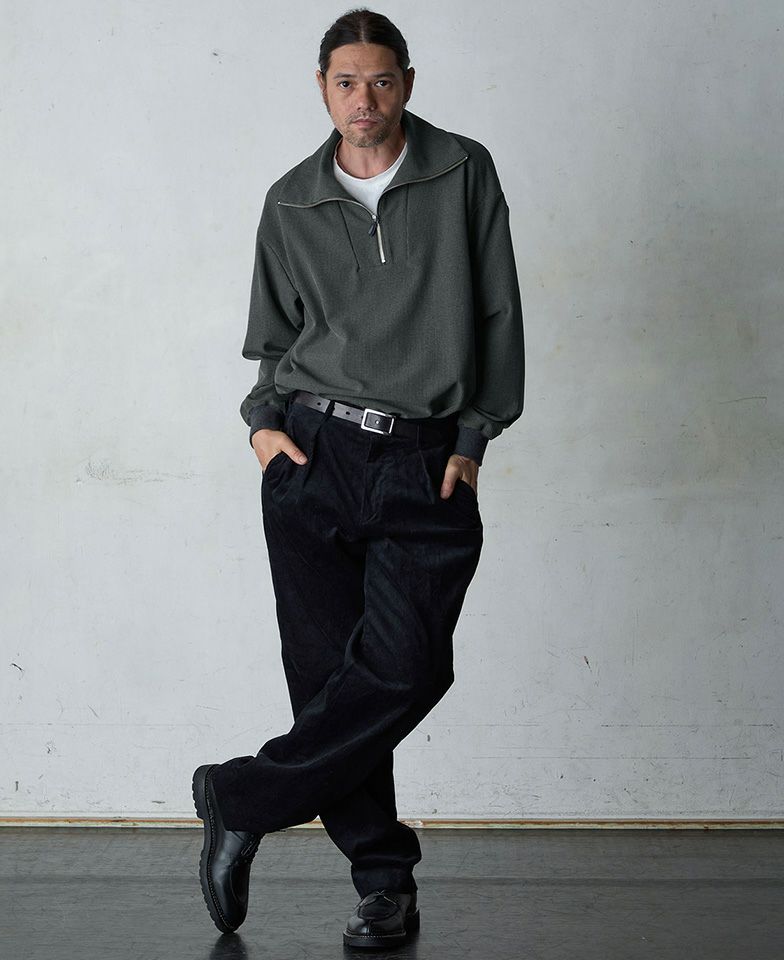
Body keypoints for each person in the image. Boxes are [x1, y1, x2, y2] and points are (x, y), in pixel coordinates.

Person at [193, 8, 524, 949]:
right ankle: (383, 883)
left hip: (425, 457)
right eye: (347, 82)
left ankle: (243, 797)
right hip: (312, 454)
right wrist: (263, 430)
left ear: (407, 82)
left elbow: (498, 312)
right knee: (327, 682)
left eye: (381, 80)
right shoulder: (291, 201)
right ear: (323, 89)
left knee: (407, 665)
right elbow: (273, 341)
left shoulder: (462, 170)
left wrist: (473, 437)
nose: (364, 99)